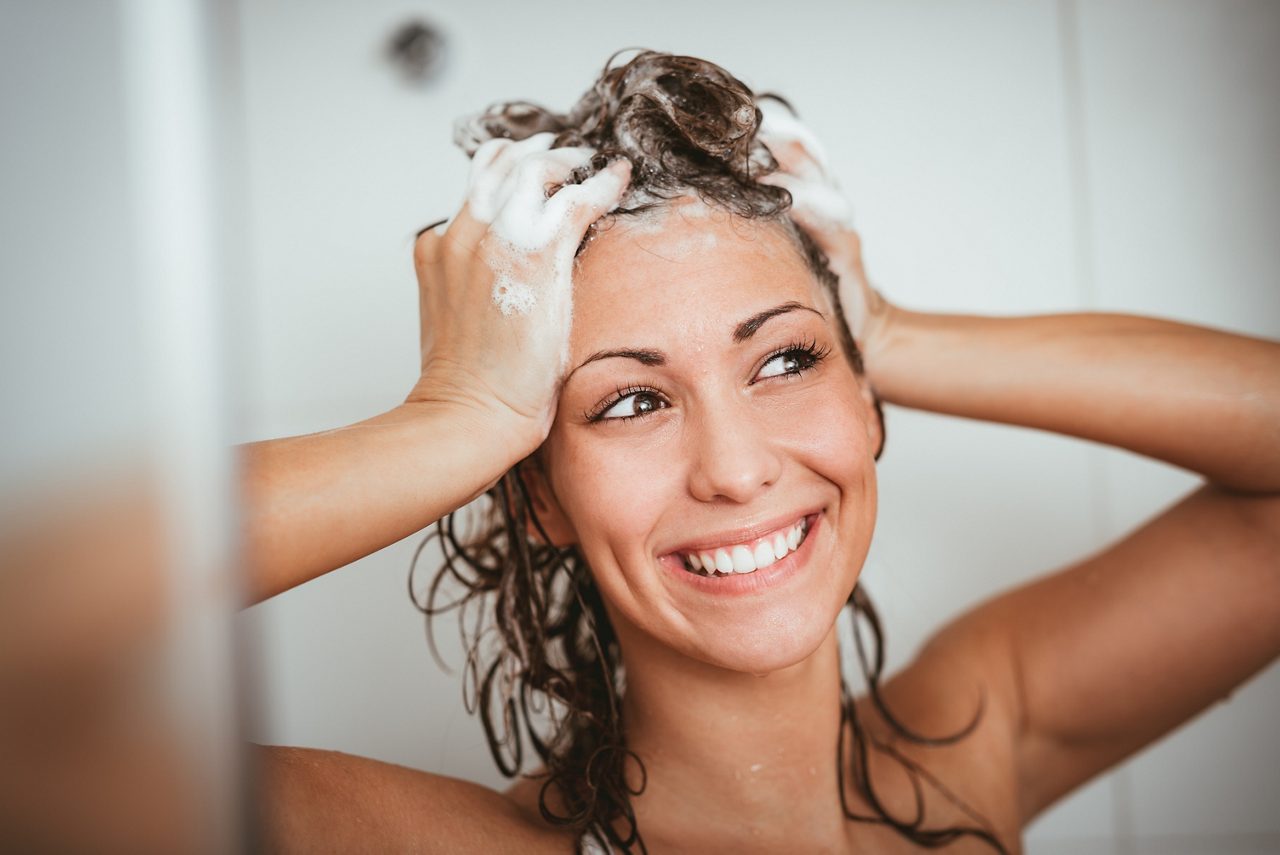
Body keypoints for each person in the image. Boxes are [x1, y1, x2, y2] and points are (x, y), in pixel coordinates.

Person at [243, 51, 1280, 853]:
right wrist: (459, 414)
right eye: (630, 400)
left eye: (784, 360)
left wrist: (892, 331)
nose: (734, 469)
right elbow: (70, 660)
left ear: (863, 398)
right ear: (537, 498)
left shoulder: (977, 743)